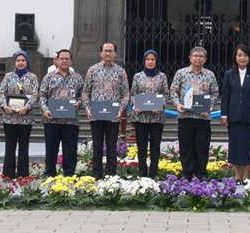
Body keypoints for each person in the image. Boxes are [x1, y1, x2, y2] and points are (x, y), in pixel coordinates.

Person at [81, 42, 130, 180]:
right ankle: (96, 175)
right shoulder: (93, 70)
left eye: (111, 51)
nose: (108, 53)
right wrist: (88, 109)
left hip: (113, 115)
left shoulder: (121, 72)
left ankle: (111, 175)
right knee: (97, 146)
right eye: (105, 51)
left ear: (115, 53)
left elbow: (125, 93)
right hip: (96, 115)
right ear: (101, 53)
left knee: (111, 146)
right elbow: (86, 92)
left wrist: (121, 110)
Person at [169, 46, 219, 180]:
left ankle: (201, 173)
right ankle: (187, 173)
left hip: (203, 117)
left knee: (202, 146)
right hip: (186, 116)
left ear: (205, 59)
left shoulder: (210, 75)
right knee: (186, 145)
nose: (198, 58)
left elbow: (214, 93)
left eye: (201, 56)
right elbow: (173, 90)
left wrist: (210, 106)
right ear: (190, 58)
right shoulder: (181, 73)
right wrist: (177, 104)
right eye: (195, 56)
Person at [221, 44, 250, 182]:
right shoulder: (229, 74)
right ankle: (236, 175)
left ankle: (245, 175)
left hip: (249, 115)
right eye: (239, 55)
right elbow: (225, 96)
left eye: (245, 55)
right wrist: (224, 115)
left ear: (249, 58)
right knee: (234, 144)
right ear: (235, 57)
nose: (242, 58)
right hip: (233, 115)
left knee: (247, 145)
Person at [39, 49, 84, 177]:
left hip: (71, 120)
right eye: (62, 58)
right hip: (52, 119)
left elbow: (84, 96)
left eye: (67, 59)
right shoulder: (49, 77)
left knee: (70, 149)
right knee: (51, 148)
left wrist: (79, 104)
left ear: (71, 61)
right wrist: (45, 109)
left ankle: (69, 174)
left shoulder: (77, 78)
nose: (64, 61)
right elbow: (42, 96)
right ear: (57, 60)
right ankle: (50, 173)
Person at [129, 50, 169, 179]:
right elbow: (133, 94)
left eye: (152, 59)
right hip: (141, 118)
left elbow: (166, 94)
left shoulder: (162, 76)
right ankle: (142, 175)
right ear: (144, 61)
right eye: (148, 59)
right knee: (141, 147)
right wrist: (135, 104)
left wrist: (161, 105)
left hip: (157, 118)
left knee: (155, 147)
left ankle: (153, 175)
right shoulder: (137, 76)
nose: (150, 62)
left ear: (156, 61)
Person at [0, 50, 38, 179]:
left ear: (27, 62)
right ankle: (8, 174)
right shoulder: (8, 76)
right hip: (9, 117)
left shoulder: (32, 77)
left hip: (25, 118)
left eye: (23, 60)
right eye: (18, 60)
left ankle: (23, 174)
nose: (20, 63)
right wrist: (4, 106)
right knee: (10, 147)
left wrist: (27, 107)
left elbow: (34, 94)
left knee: (23, 147)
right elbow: (1, 92)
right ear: (15, 62)